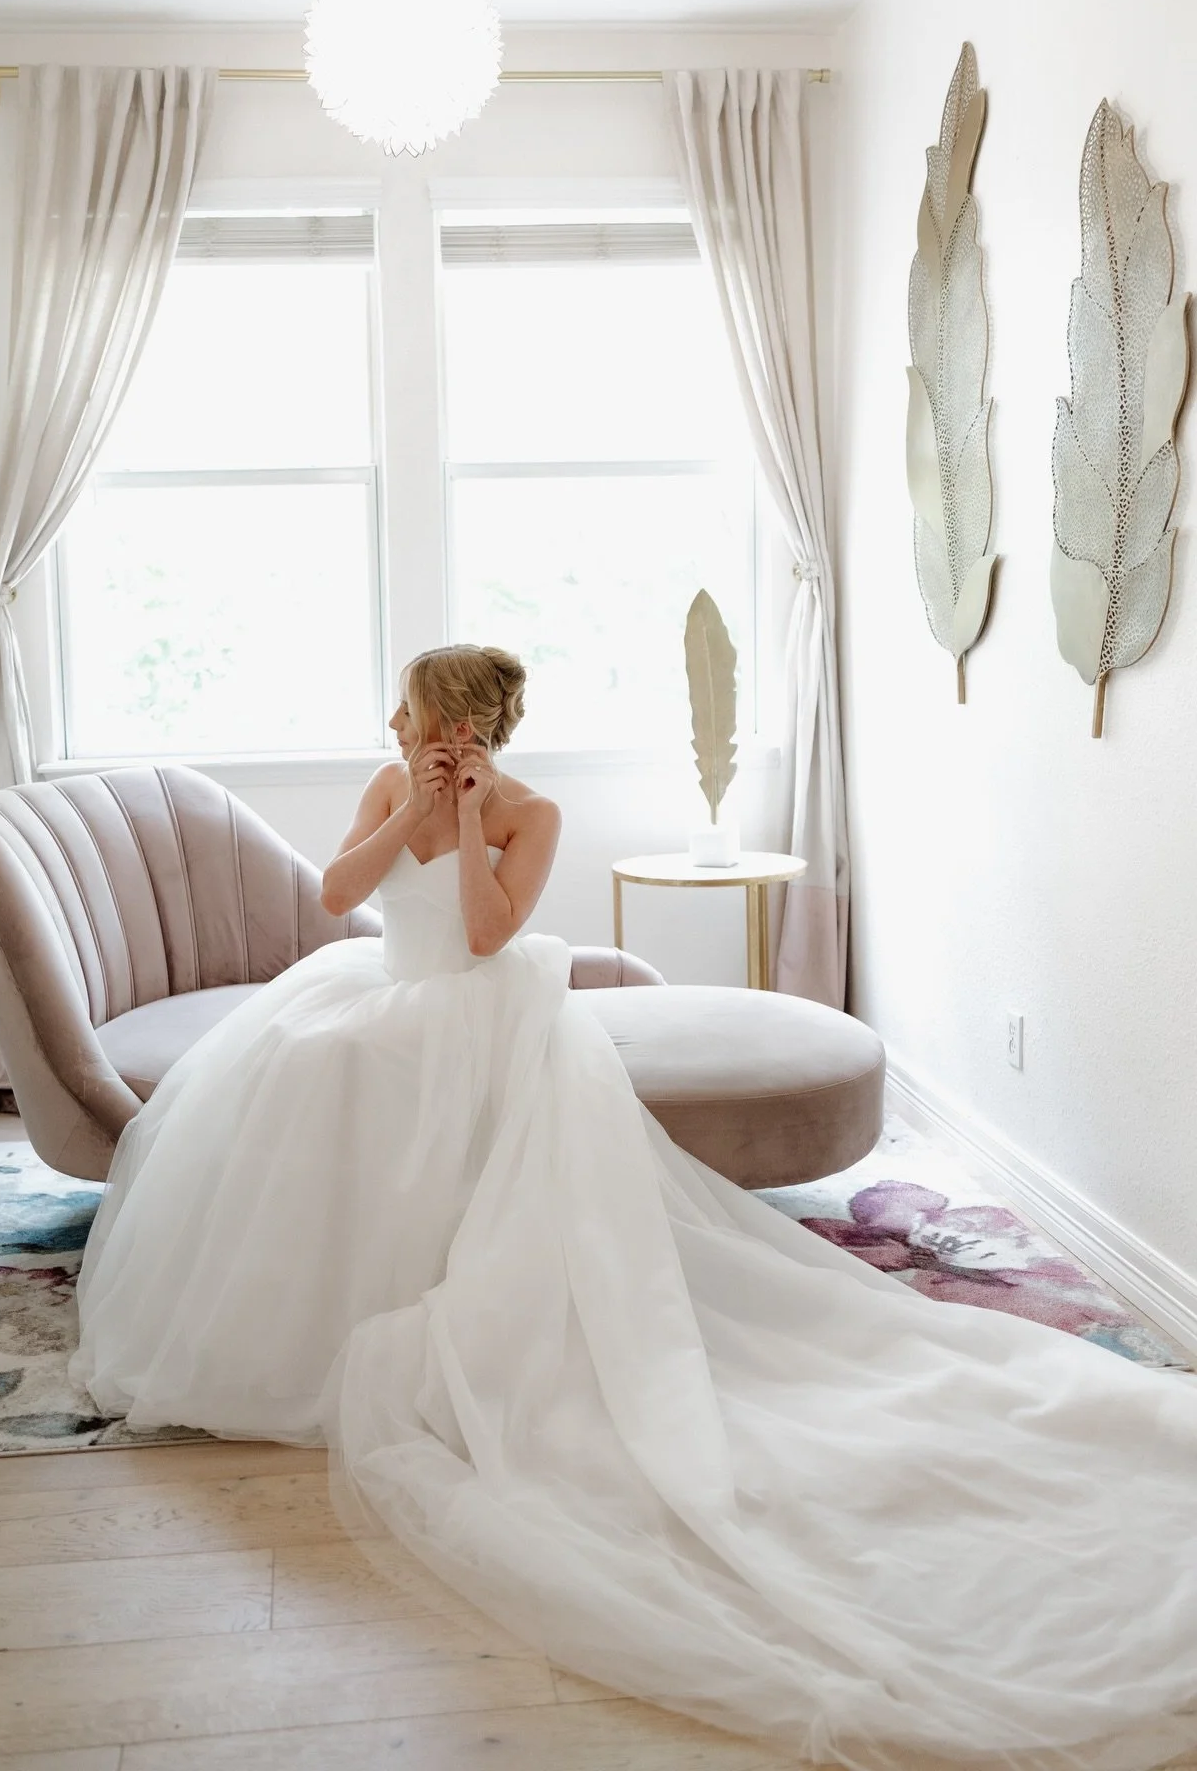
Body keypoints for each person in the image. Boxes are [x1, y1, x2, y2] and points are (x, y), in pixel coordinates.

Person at [71, 644, 1197, 1771]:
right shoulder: (387, 776)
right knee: (321, 1078)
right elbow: (340, 895)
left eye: (430, 722)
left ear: (475, 729)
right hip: (377, 999)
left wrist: (466, 820)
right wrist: (403, 805)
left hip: (482, 1010)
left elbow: (484, 932)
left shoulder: (533, 812)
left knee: (466, 1141)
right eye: (411, 721)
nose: (413, 732)